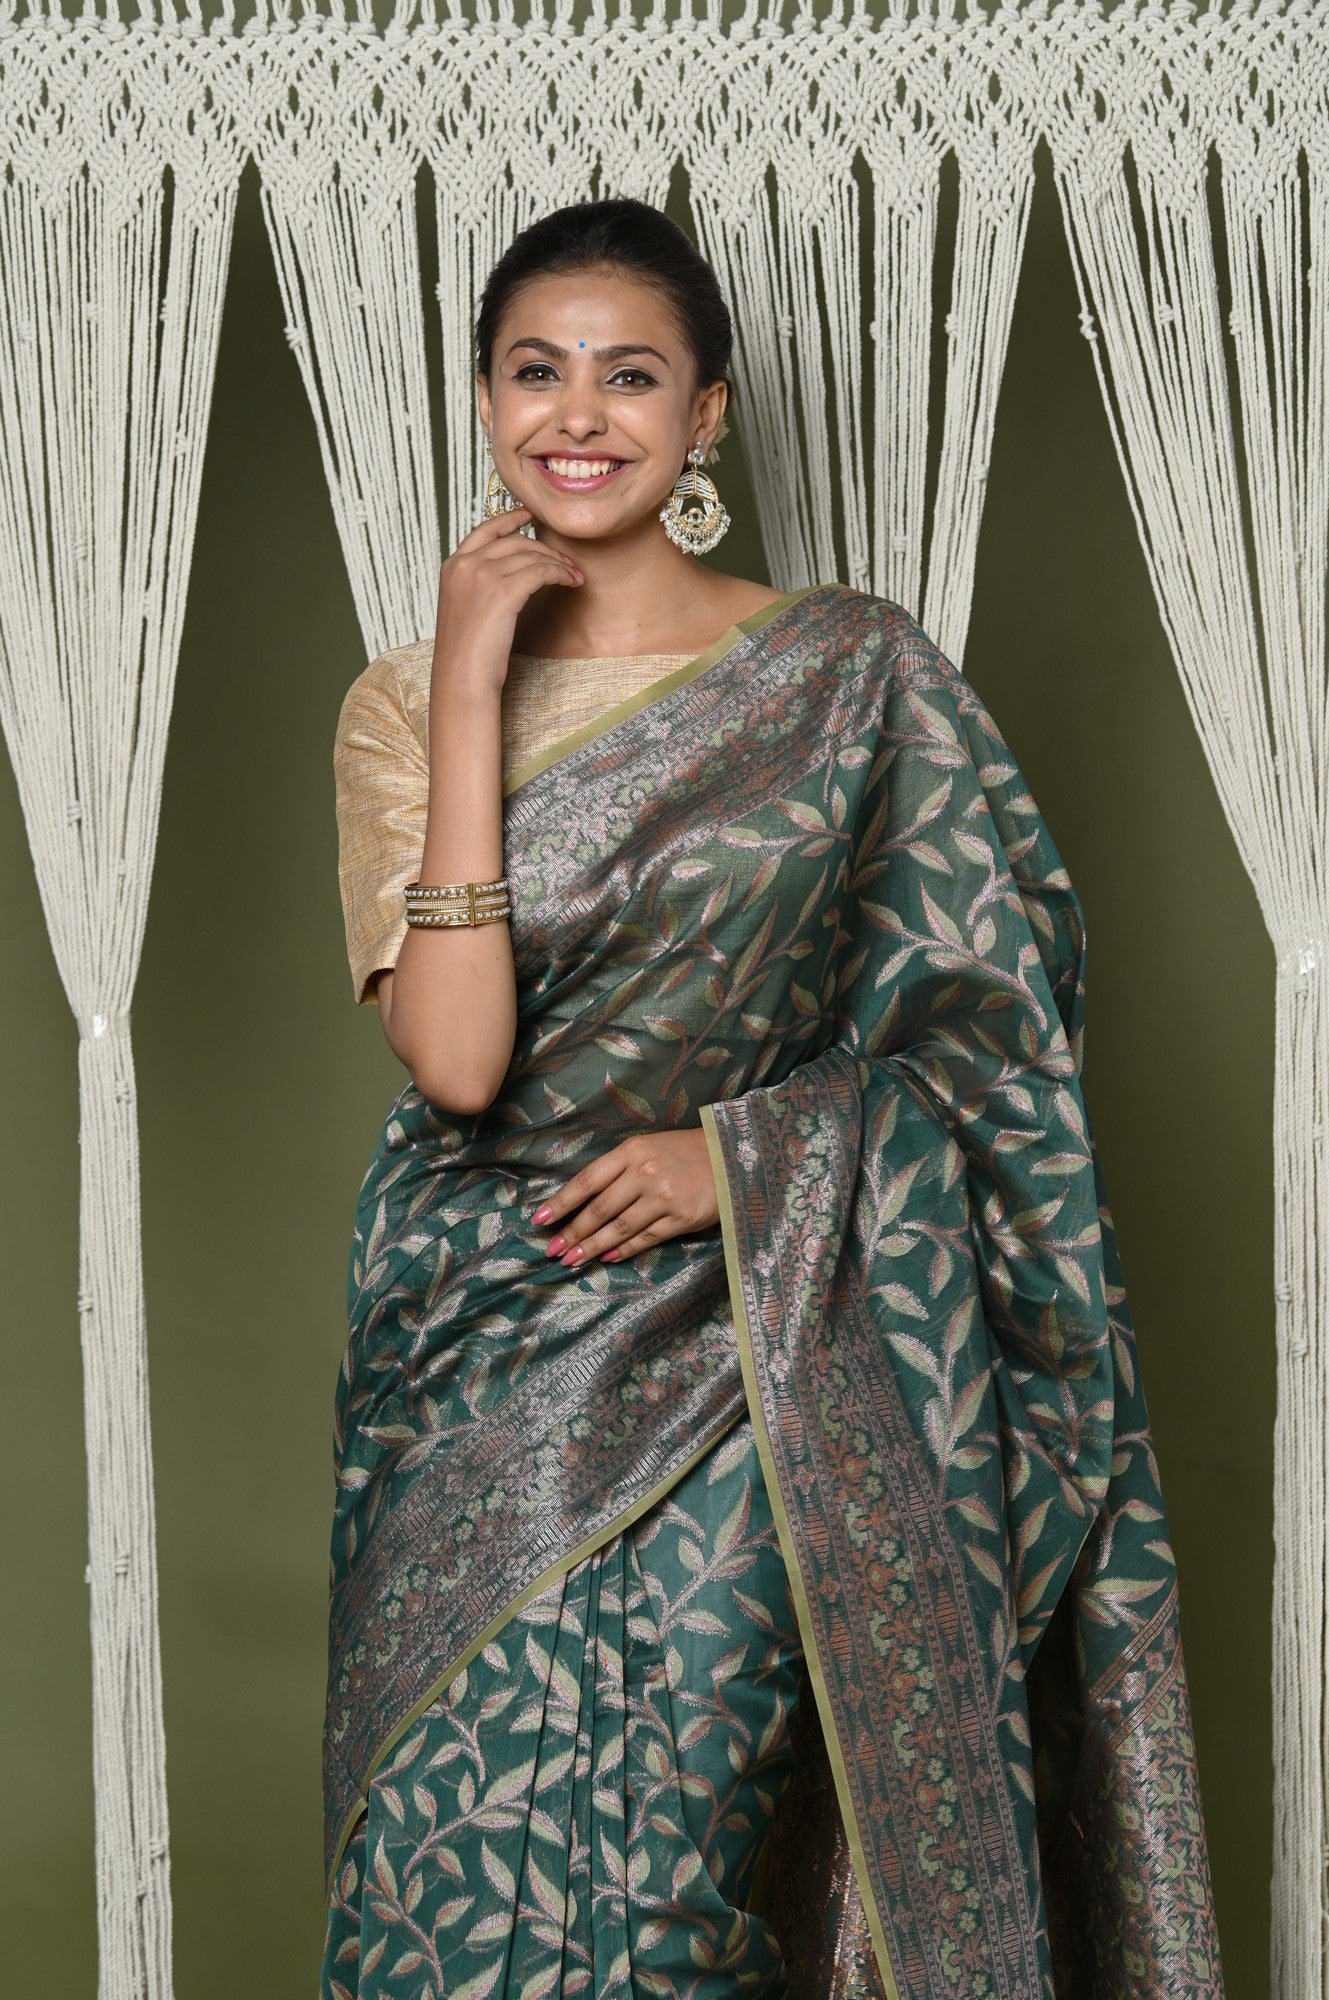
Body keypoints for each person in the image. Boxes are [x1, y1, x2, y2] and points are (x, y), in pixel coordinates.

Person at [321, 197, 1224, 2000]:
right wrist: (474, 685)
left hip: (754, 1330)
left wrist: (743, 1165)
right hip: (468, 1338)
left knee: (675, 1877)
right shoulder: (404, 702)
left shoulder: (854, 676)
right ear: (485, 399)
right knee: (438, 1873)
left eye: (631, 376)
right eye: (535, 372)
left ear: (708, 414)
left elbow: (992, 1039)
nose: (578, 415)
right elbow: (461, 1063)